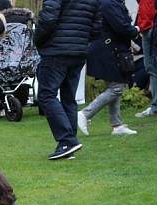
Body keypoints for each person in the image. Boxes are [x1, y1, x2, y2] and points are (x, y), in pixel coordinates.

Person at [34, 0, 99, 160]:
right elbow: (97, 25)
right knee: (69, 99)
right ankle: (69, 144)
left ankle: (67, 141)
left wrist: (37, 39)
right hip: (78, 51)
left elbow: (48, 18)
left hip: (56, 50)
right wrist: (82, 40)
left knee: (46, 95)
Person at [78, 0, 140, 136]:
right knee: (116, 88)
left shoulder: (110, 3)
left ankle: (117, 125)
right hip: (108, 51)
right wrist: (135, 30)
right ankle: (84, 114)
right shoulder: (109, 4)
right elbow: (121, 27)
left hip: (108, 49)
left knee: (114, 85)